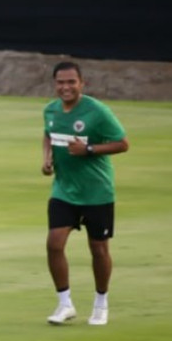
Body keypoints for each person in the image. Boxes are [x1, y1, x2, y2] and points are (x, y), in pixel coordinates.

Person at [41, 62, 129, 326]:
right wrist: (46, 159)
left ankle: (101, 304)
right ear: (55, 84)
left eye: (71, 82)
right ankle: (64, 304)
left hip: (96, 192)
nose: (65, 87)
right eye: (60, 82)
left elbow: (123, 143)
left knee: (98, 249)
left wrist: (89, 149)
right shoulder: (51, 109)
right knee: (54, 244)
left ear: (82, 83)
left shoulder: (98, 111)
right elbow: (48, 135)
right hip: (64, 190)